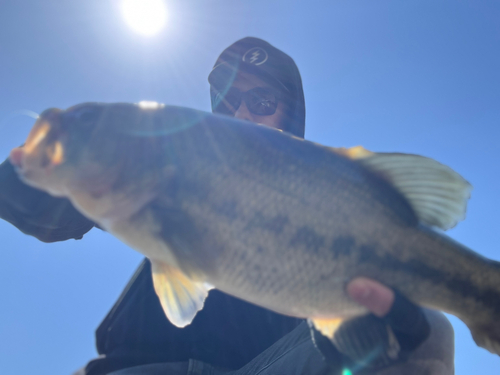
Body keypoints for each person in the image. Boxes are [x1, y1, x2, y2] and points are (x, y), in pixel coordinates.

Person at [0, 37, 455, 375]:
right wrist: (31, 172)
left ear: (290, 116)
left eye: (261, 100)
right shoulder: (165, 166)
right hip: (143, 368)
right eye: (227, 98)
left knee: (428, 334)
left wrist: (375, 338)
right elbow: (43, 210)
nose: (240, 113)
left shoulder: (333, 207)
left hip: (266, 367)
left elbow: (347, 343)